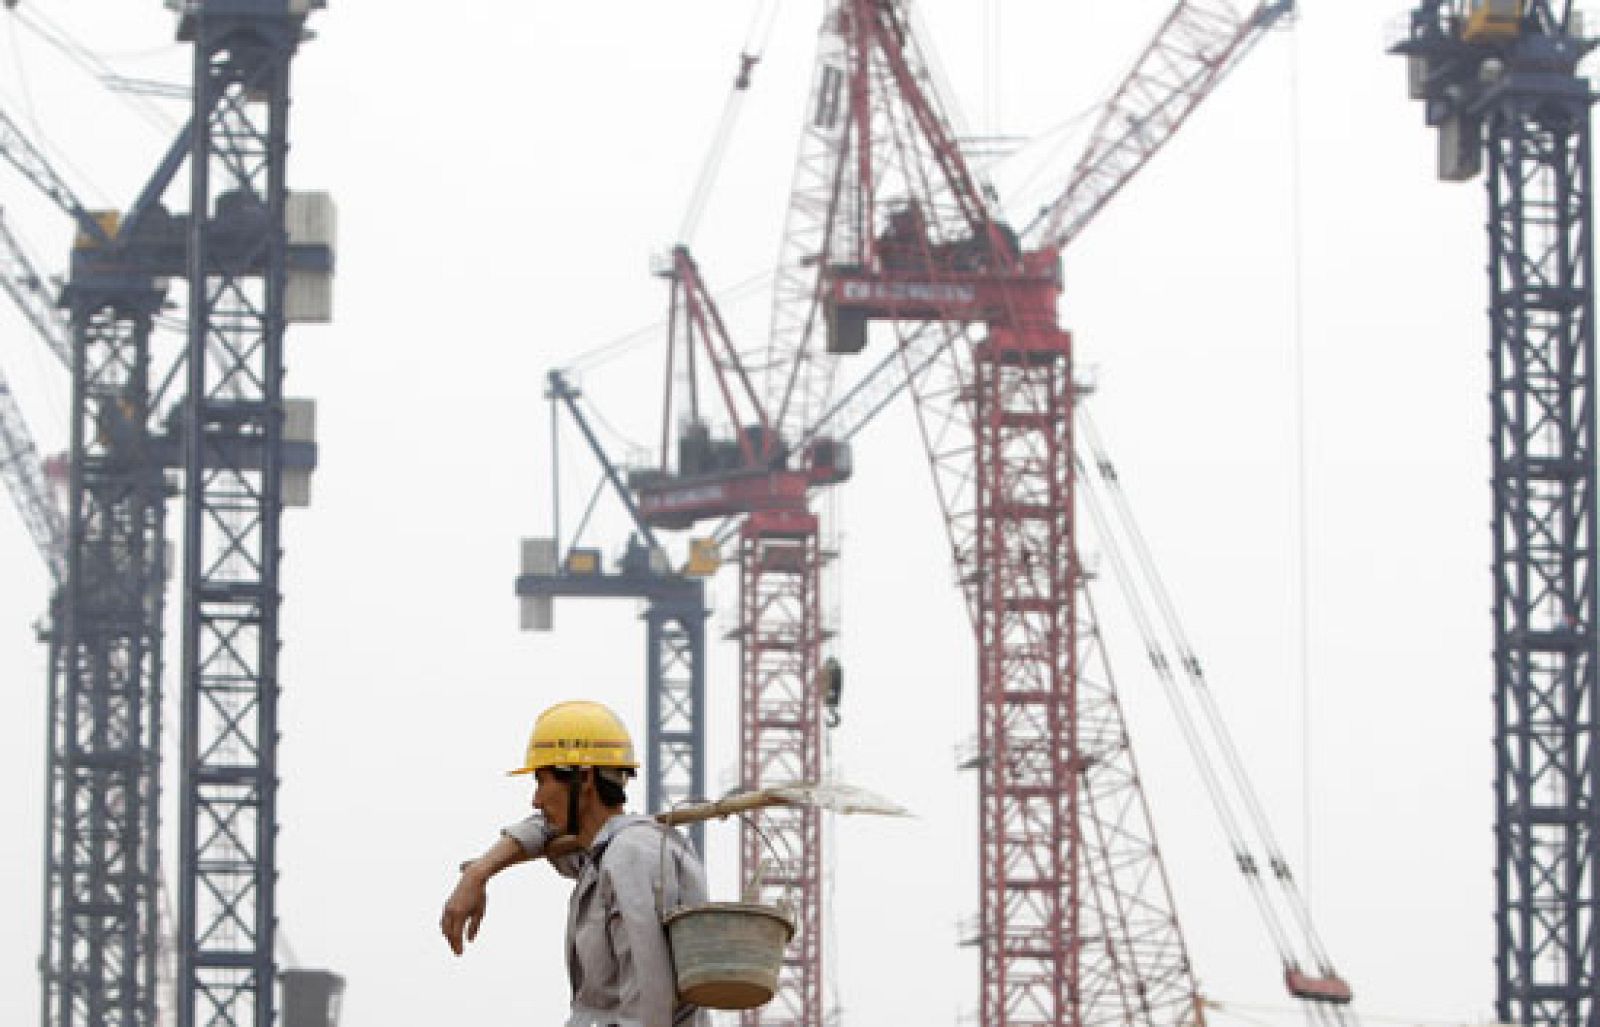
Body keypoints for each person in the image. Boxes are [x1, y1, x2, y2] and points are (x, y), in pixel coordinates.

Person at [440, 700, 709, 1027]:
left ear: (585, 779)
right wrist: (478, 873)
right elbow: (541, 829)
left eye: (541, 781)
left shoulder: (631, 856)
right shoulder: (601, 855)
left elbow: (648, 1003)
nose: (536, 799)